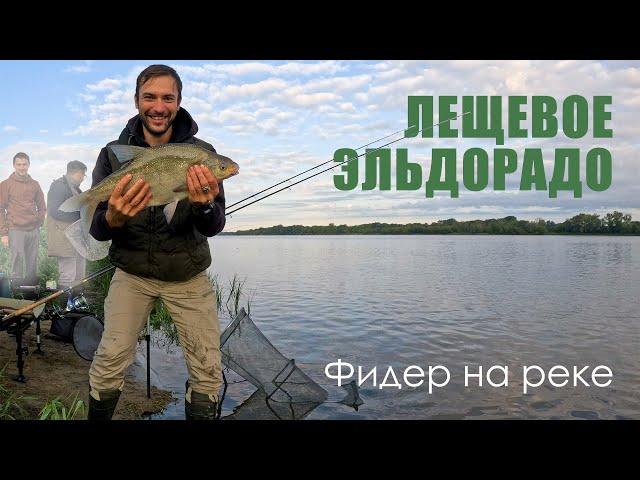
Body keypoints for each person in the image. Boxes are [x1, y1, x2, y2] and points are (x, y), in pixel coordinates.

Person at [87, 64, 226, 420]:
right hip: (131, 272)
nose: (159, 106)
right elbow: (99, 230)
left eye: (168, 98)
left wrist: (204, 206)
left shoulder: (201, 154)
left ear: (179, 102)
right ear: (137, 101)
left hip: (187, 274)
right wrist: (112, 217)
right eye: (150, 97)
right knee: (108, 361)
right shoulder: (113, 153)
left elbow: (214, 225)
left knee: (208, 370)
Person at [0, 152, 46, 285]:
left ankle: (31, 295)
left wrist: (39, 222)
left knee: (32, 263)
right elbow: (0, 209)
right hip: (15, 230)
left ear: (29, 165)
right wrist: (3, 234)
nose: (22, 167)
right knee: (17, 262)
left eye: (24, 164)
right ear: (14, 165)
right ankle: (16, 295)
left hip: (33, 230)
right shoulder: (5, 184)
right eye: (18, 164)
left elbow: (42, 206)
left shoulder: (35, 184)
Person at [46, 161, 88, 290]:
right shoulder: (58, 186)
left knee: (79, 274)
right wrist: (80, 215)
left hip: (76, 239)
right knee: (68, 275)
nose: (83, 178)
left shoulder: (75, 188)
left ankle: (75, 306)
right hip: (63, 238)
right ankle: (65, 307)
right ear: (76, 173)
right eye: (83, 175)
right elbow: (55, 211)